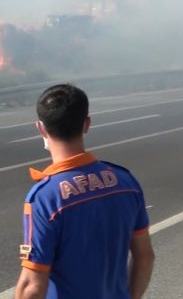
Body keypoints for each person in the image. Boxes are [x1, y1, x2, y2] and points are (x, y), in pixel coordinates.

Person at [14, 84, 155, 299]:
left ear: (41, 128)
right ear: (86, 124)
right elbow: (145, 257)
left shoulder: (45, 198)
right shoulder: (126, 182)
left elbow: (32, 285)